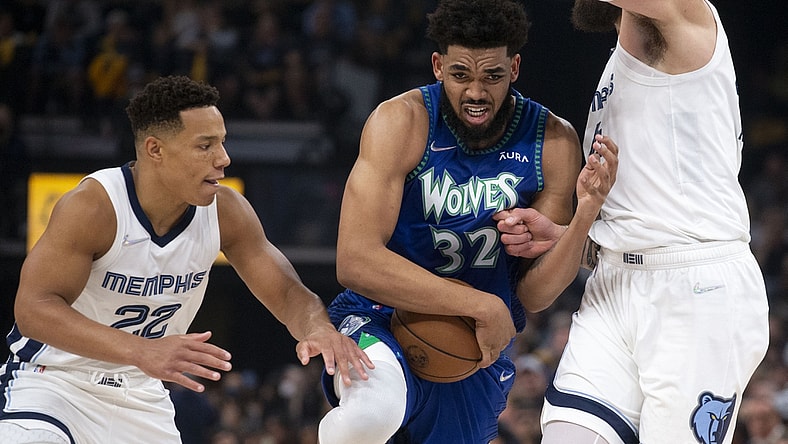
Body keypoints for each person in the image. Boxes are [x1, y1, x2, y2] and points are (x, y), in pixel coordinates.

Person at [0, 75, 373, 444]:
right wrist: (142, 350)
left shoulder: (227, 211)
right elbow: (33, 309)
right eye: (205, 146)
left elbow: (288, 292)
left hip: (140, 394)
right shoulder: (95, 207)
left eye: (222, 143)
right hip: (54, 383)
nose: (223, 159)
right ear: (155, 150)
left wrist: (316, 329)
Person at [316, 0, 618, 443]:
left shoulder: (552, 139)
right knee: (367, 418)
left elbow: (535, 293)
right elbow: (355, 261)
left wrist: (585, 212)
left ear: (514, 68)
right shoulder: (401, 120)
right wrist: (477, 303)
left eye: (492, 76)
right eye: (461, 74)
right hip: (380, 315)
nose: (476, 92)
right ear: (438, 66)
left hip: (474, 348)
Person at [536, 1, 771, 443]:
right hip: (613, 285)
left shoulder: (687, 14)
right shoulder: (617, 66)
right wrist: (569, 238)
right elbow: (644, 217)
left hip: (698, 295)